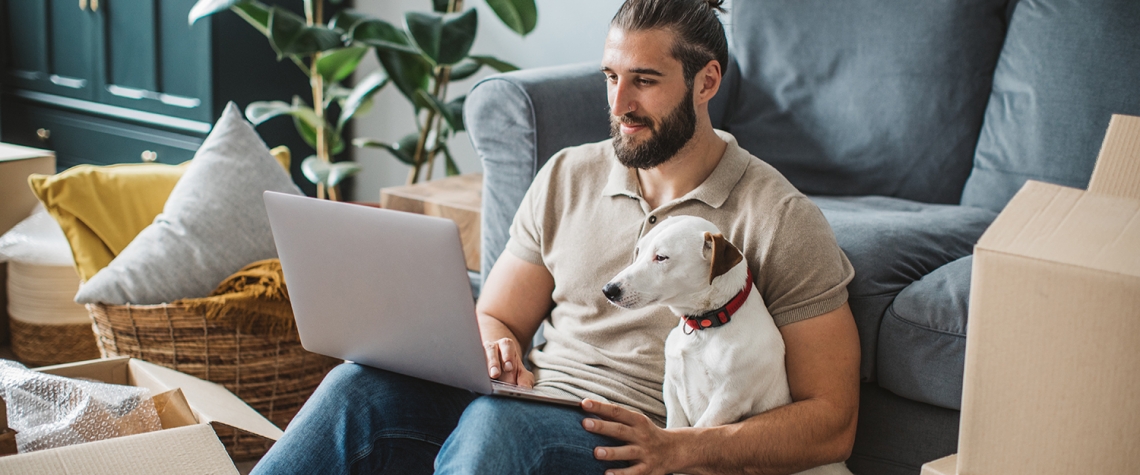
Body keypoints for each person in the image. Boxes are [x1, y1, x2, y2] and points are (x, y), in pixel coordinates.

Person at [251, 0, 860, 473]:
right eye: (610, 77)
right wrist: (496, 348)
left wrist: (681, 450)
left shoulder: (777, 216)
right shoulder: (571, 173)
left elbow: (832, 422)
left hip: (635, 438)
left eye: (645, 80)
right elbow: (498, 317)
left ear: (706, 82)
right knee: (357, 387)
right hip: (531, 399)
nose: (619, 103)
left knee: (495, 426)